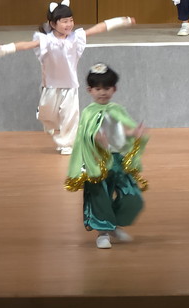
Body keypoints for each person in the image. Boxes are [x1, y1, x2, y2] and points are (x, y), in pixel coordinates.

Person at [0, 0, 133, 154]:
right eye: (64, 21)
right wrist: (3, 49)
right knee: (47, 114)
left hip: (70, 85)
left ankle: (66, 144)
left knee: (70, 116)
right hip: (50, 85)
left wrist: (121, 21)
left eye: (71, 20)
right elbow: (25, 45)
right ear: (53, 24)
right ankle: (48, 119)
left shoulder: (76, 37)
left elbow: (98, 28)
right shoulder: (46, 40)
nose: (69, 24)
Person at [64, 63, 148, 249]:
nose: (102, 92)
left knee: (132, 196)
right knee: (100, 197)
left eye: (107, 88)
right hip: (97, 161)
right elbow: (85, 135)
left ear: (114, 89)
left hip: (117, 160)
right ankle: (103, 232)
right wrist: (95, 138)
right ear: (90, 90)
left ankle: (113, 225)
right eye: (98, 88)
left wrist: (134, 133)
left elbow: (121, 130)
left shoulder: (117, 110)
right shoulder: (88, 112)